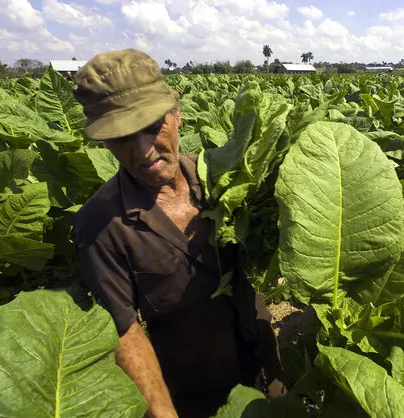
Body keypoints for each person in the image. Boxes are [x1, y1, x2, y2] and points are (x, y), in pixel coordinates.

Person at [71, 49, 285, 418]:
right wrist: (162, 412)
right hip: (196, 387)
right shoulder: (100, 225)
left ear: (176, 114)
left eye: (153, 126)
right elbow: (125, 333)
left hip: (265, 361)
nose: (144, 150)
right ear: (105, 143)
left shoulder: (223, 175)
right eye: (121, 138)